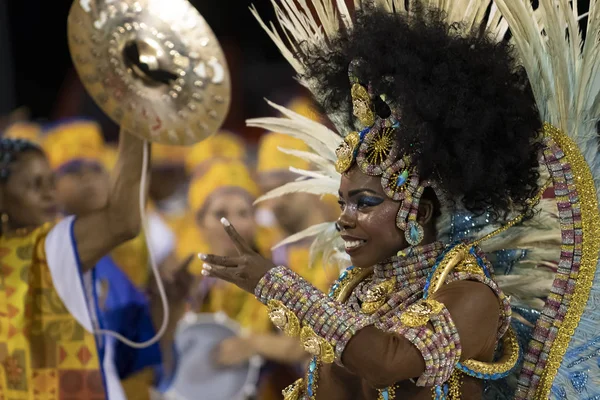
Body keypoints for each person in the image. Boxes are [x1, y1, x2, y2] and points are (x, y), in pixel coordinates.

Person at [199, 1, 600, 399]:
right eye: (342, 204)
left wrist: (277, 284)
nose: (344, 219)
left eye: (365, 203)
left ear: (419, 212)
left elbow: (389, 361)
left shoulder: (473, 295)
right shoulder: (353, 289)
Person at [41, 118, 193, 400]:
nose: (87, 177)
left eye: (96, 168)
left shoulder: (115, 259)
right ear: (48, 187)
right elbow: (124, 221)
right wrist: (137, 115)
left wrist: (168, 304)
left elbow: (138, 360)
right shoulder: (45, 245)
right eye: (73, 170)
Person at [0, 125, 145, 399]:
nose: (49, 194)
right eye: (34, 185)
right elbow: (122, 222)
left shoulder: (49, 245)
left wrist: (136, 121)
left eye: (50, 183)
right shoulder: (41, 248)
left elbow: (124, 222)